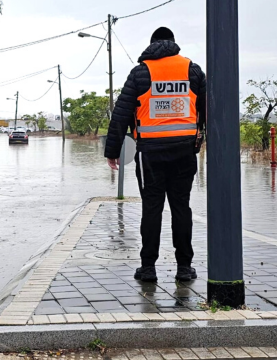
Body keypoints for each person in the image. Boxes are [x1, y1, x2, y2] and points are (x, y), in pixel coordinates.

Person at [104, 27, 206, 282]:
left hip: (150, 154)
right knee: (181, 207)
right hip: (184, 151)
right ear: (173, 43)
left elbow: (122, 113)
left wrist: (112, 150)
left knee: (152, 209)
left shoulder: (140, 72)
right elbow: (208, 108)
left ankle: (148, 268)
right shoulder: (192, 70)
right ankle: (184, 268)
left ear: (152, 45)